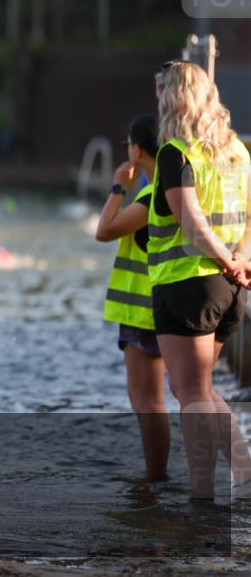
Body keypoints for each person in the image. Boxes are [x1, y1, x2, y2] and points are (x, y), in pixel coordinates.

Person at [148, 60, 251, 499]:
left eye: (160, 93)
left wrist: (227, 259)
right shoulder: (236, 151)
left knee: (189, 393)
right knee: (200, 388)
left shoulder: (176, 152)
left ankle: (202, 494)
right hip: (228, 288)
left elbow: (191, 225)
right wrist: (241, 259)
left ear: (173, 98)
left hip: (187, 283)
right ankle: (245, 474)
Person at [95, 115, 168, 481]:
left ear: (137, 150)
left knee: (148, 402)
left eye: (128, 145)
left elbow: (104, 230)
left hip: (143, 312)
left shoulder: (150, 193)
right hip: (150, 309)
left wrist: (117, 187)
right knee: (149, 401)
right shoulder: (167, 187)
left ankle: (155, 479)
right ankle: (156, 477)